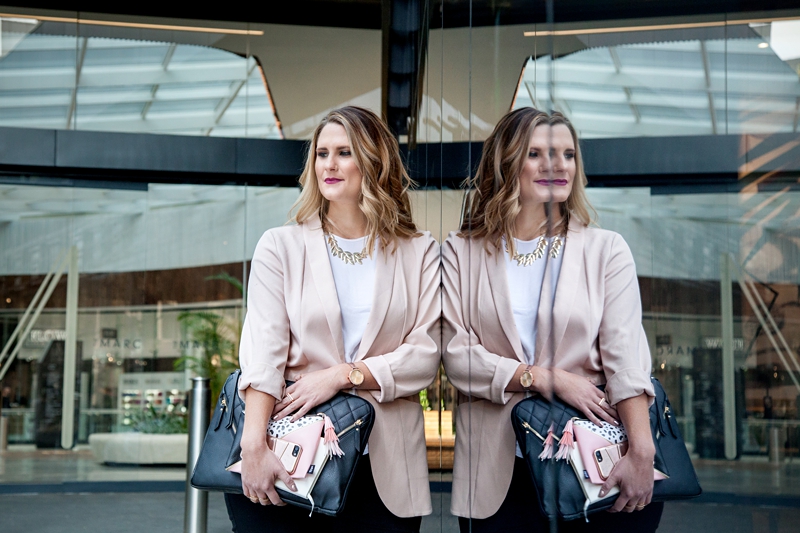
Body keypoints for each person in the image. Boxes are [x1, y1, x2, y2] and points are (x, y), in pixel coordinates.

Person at [442, 108, 662, 532]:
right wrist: (546, 378)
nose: (557, 165)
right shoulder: (461, 251)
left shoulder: (605, 250)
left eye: (567, 154)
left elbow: (626, 360)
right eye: (537, 153)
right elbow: (457, 357)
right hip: (495, 472)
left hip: (594, 463)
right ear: (507, 163)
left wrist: (641, 451)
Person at [226, 106, 441, 533]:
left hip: (385, 468)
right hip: (288, 456)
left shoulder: (419, 250)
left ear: (374, 161)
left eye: (344, 152)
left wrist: (343, 375)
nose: (329, 164)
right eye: (322, 154)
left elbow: (425, 356)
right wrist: (253, 445)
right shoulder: (280, 246)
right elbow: (263, 355)